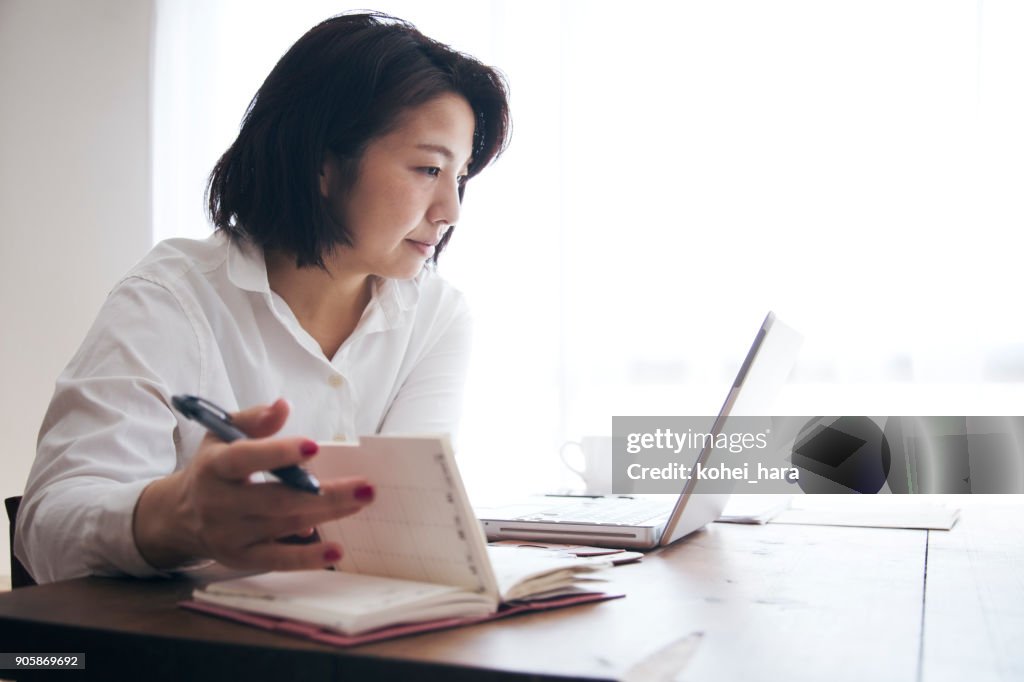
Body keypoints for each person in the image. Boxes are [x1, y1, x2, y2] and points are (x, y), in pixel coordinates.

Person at [15, 11, 511, 584]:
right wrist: (177, 517)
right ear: (322, 164)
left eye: (461, 177)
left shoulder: (435, 316)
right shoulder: (170, 300)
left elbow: (405, 526)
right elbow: (46, 529)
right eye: (429, 168)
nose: (451, 212)